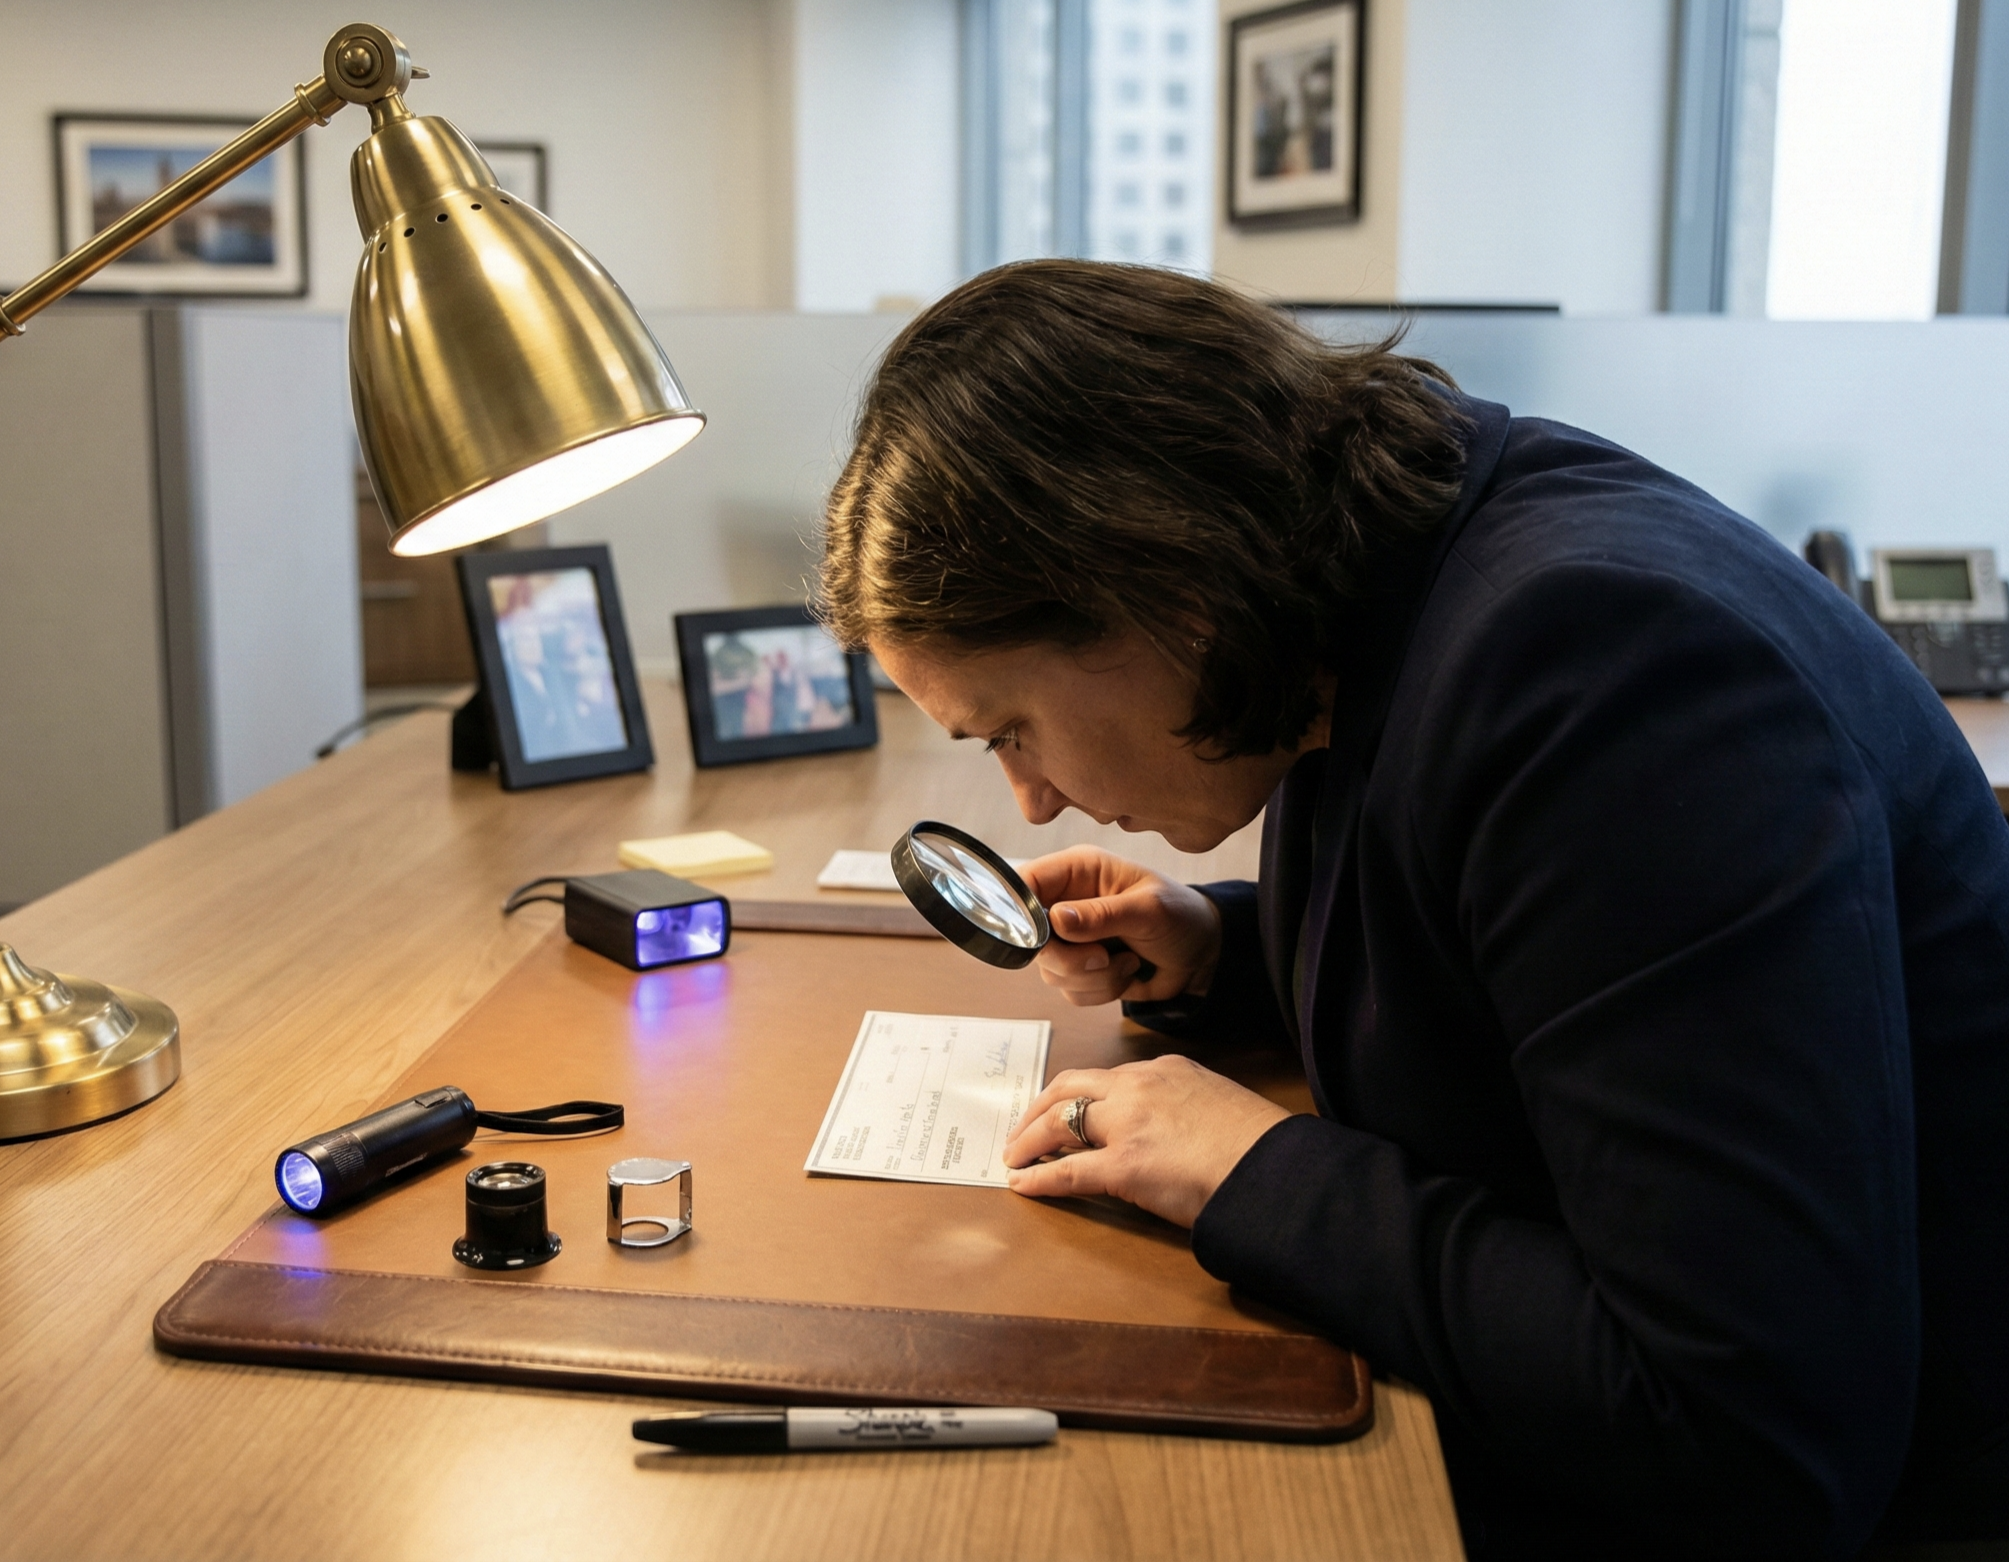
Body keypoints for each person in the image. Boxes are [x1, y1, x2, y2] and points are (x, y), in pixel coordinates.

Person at [817, 260, 2008, 1560]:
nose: (1032, 802)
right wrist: (1225, 950)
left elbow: (1743, 1434)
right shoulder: (1395, 568)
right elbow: (1565, 973)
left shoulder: (1603, 675)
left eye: (1013, 730)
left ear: (1162, 592)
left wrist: (1250, 1168)